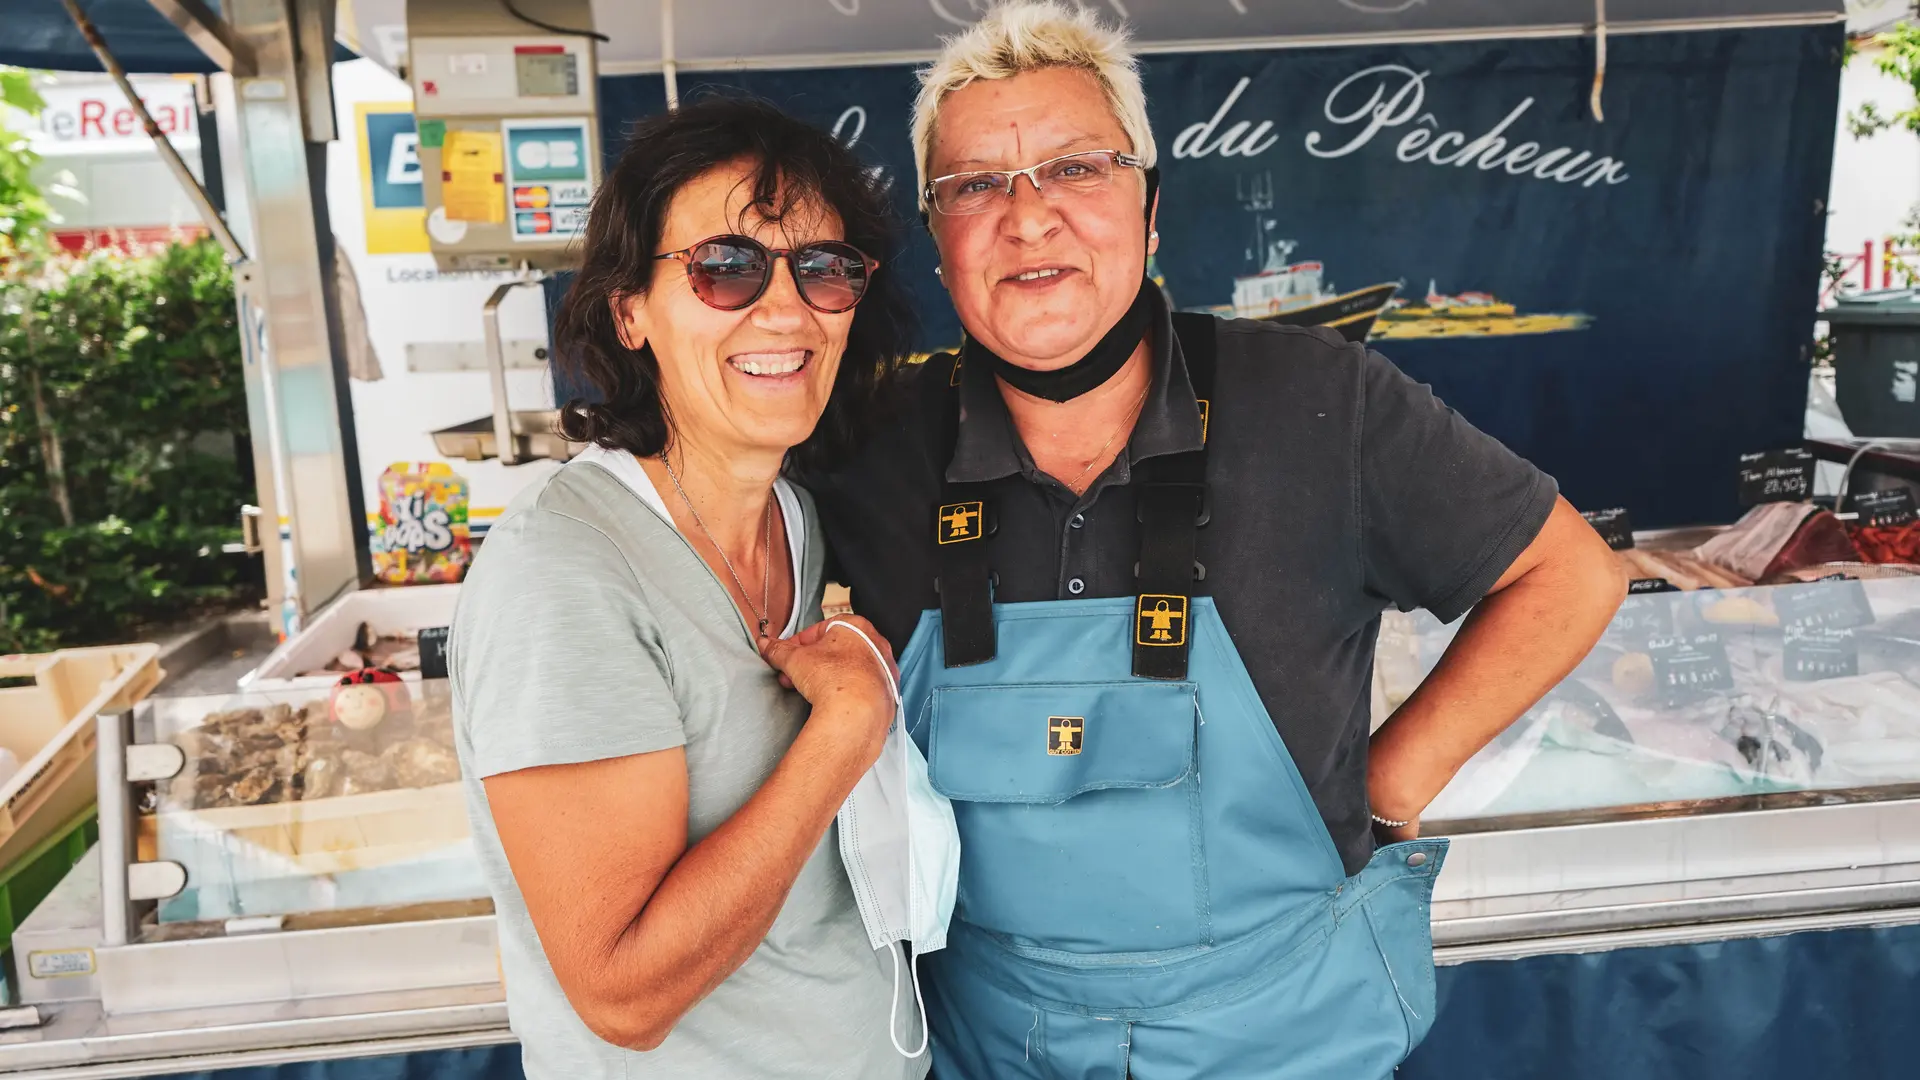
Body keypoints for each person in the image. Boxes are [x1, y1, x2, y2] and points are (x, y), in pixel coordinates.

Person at [804, 4, 1628, 1078]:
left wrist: (1392, 781)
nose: (1029, 216)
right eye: (975, 185)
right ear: (939, 240)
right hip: (990, 1041)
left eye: (1077, 168)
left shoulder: (1320, 404)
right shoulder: (870, 444)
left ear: (1149, 211)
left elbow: (1568, 573)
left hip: (1289, 1032)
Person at [447, 97, 928, 1080]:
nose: (786, 308)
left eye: (824, 268)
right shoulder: (566, 573)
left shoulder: (798, 516)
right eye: (726, 268)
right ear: (629, 309)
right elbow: (622, 994)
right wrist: (846, 730)